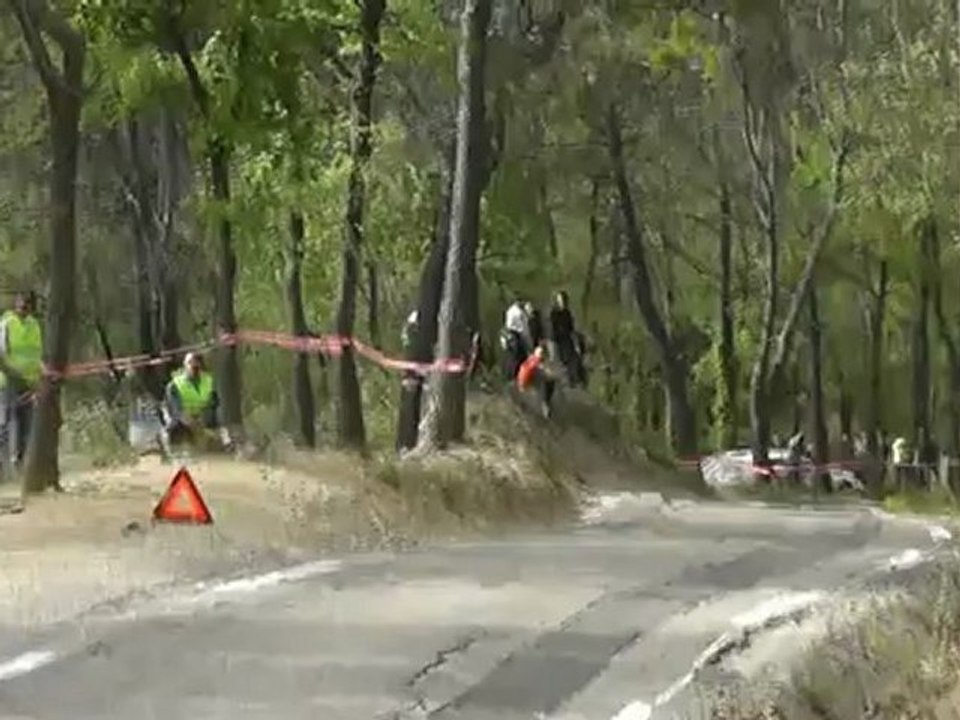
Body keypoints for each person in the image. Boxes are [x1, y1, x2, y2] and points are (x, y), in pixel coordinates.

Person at [0, 291, 42, 471]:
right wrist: (15, 376)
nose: (24, 308)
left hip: (30, 385)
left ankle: (22, 465)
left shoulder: (34, 325)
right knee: (5, 424)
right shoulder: (6, 324)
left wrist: (40, 376)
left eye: (27, 306)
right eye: (21, 305)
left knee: (27, 426)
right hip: (8, 384)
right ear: (15, 305)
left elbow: (37, 354)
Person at [164, 352, 220, 450]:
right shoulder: (174, 385)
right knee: (174, 429)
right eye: (190, 362)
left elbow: (215, 404)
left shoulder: (210, 381)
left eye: (196, 362)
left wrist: (205, 420)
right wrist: (195, 425)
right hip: (183, 422)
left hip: (204, 420)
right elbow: (177, 411)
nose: (194, 365)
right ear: (184, 365)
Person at [549, 290, 586, 387]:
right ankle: (570, 380)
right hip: (558, 340)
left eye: (564, 300)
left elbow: (571, 328)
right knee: (566, 359)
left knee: (574, 357)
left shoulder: (567, 312)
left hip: (567, 338)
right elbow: (553, 329)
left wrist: (576, 339)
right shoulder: (554, 314)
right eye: (561, 300)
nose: (563, 302)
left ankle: (575, 379)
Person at [516, 343, 556, 418]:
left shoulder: (531, 359)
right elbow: (546, 373)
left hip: (522, 382)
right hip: (527, 382)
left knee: (547, 381)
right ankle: (545, 406)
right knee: (549, 382)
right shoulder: (537, 363)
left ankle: (543, 405)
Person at [502, 297, 531, 379]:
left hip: (517, 335)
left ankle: (517, 375)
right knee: (516, 356)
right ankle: (513, 375)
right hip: (515, 335)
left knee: (519, 356)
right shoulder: (515, 312)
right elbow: (514, 326)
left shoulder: (518, 311)